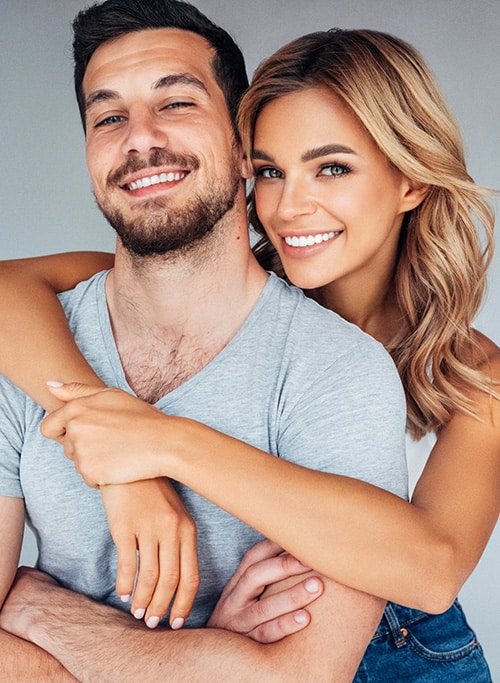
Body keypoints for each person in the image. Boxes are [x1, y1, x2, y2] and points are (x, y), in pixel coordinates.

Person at [2, 22, 498, 682]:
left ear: (411, 181)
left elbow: (430, 570)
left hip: (401, 649)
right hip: (238, 639)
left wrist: (164, 443)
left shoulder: (476, 374)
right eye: (269, 170)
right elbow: (9, 290)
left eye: (332, 168)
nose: (289, 207)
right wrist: (123, 463)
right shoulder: (216, 291)